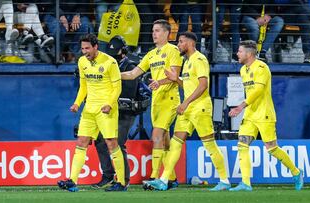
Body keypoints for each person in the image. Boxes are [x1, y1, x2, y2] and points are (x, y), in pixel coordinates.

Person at [143, 31, 231, 191]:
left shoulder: (199, 59)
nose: (178, 45)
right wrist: (175, 79)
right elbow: (188, 85)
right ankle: (163, 180)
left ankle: (224, 180)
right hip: (187, 109)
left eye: (181, 42)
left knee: (210, 145)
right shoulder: (187, 62)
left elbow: (203, 85)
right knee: (175, 144)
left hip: (200, 108)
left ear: (190, 43)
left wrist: (185, 102)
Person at [228, 40, 304, 191]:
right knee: (242, 145)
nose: (237, 53)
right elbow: (250, 92)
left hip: (264, 114)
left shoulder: (262, 68)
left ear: (249, 54)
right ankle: (245, 183)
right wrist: (244, 109)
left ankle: (296, 172)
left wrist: (240, 106)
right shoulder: (243, 70)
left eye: (240, 51)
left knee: (271, 148)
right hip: (250, 115)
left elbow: (258, 91)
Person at [57, 34, 127, 192]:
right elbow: (84, 86)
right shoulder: (82, 61)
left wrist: (109, 104)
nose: (84, 52)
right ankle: (72, 181)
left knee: (111, 143)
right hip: (89, 109)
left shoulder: (110, 62)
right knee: (81, 142)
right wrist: (77, 103)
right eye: (82, 49)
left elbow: (117, 88)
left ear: (96, 47)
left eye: (87, 48)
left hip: (106, 109)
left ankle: (121, 182)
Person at [121, 19, 183, 189]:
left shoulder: (173, 51)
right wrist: (115, 74)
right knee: (165, 141)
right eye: (153, 31)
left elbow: (175, 76)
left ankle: (156, 177)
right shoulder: (151, 54)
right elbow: (133, 74)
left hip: (170, 100)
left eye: (157, 30)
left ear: (166, 33)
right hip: (156, 101)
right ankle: (171, 179)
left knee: (156, 136)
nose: (153, 34)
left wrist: (159, 83)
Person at [91, 35, 140, 189]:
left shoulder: (130, 67)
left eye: (115, 54)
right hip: (109, 110)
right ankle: (107, 176)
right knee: (100, 141)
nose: (112, 57)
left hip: (125, 111)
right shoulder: (108, 65)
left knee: (117, 143)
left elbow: (129, 92)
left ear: (123, 52)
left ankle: (123, 180)